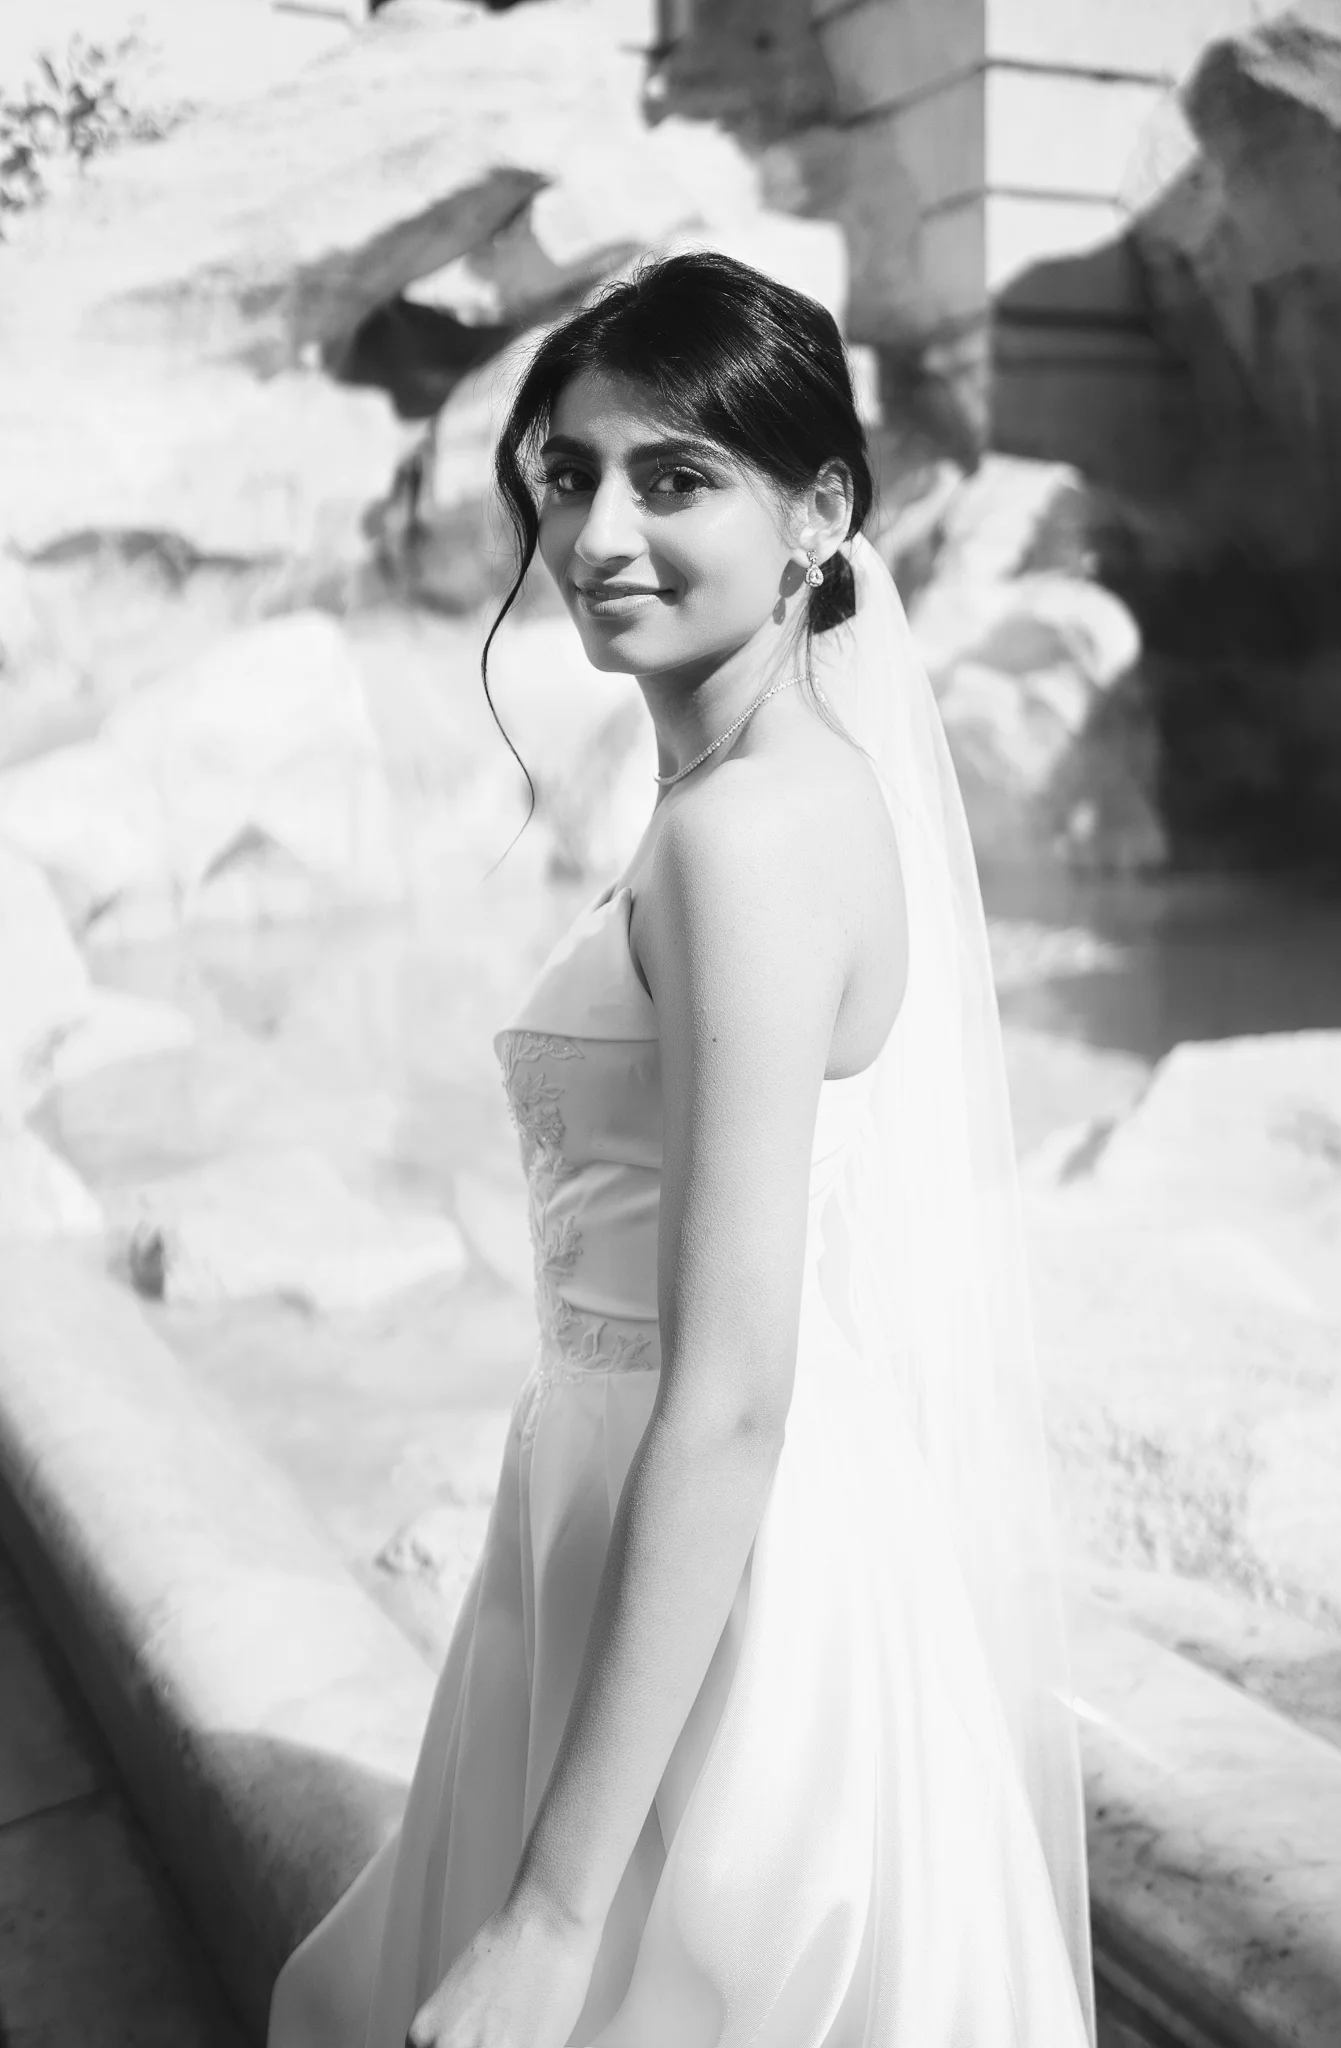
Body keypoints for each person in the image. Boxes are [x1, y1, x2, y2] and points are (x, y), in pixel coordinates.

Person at [267, 250, 1097, 2048]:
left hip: (718, 1573)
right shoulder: (749, 797)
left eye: (673, 476)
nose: (597, 532)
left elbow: (729, 1388)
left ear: (821, 513)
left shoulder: (756, 838)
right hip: (623, 1518)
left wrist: (558, 1915)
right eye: (568, 475)